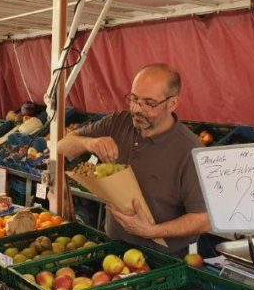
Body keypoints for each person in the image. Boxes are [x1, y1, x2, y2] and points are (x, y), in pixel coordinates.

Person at [57, 63, 210, 256]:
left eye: (149, 103)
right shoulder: (119, 122)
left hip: (163, 259)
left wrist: (152, 231)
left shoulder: (190, 150)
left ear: (172, 104)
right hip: (114, 248)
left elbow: (203, 219)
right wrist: (90, 143)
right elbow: (62, 145)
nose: (137, 108)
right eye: (134, 98)